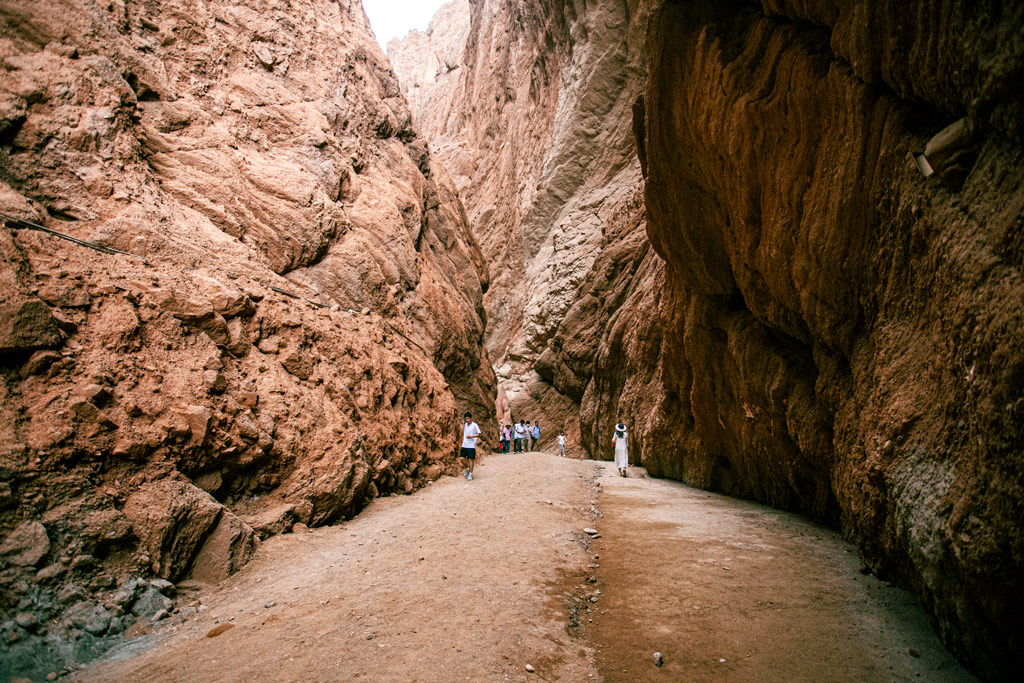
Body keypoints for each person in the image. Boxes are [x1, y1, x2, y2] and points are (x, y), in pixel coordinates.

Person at [459, 411, 481, 480]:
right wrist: (463, 426)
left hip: (471, 445)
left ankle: (471, 474)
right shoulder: (465, 425)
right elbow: (461, 433)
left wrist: (471, 436)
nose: (467, 420)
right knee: (462, 458)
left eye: (468, 418)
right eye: (466, 418)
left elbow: (479, 434)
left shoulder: (474, 425)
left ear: (471, 418)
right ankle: (467, 468)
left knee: (470, 459)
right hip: (464, 444)